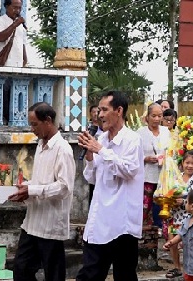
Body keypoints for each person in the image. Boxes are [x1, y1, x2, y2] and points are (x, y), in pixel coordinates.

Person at [76, 91, 145, 281]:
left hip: (121, 223)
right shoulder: (102, 140)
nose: (100, 115)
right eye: (99, 110)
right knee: (90, 274)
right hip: (100, 219)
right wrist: (90, 157)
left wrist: (100, 151)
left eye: (105, 110)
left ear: (119, 111)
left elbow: (129, 170)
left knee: (124, 275)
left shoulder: (132, 140)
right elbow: (91, 178)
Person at [8, 102, 76, 281]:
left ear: (48, 121)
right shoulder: (40, 144)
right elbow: (40, 181)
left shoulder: (63, 149)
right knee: (21, 270)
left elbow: (64, 187)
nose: (32, 129)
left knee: (53, 274)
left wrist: (32, 189)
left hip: (51, 223)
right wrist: (25, 188)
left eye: (35, 124)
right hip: (32, 222)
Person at [165, 150, 193, 278]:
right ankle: (177, 266)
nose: (189, 166)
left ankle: (190, 267)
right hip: (175, 214)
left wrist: (183, 202)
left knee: (188, 243)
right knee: (172, 241)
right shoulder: (176, 178)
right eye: (187, 162)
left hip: (188, 217)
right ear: (182, 163)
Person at [136, 103, 171, 228]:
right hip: (146, 175)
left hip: (163, 175)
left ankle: (162, 231)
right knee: (145, 205)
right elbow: (133, 154)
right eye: (154, 116)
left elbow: (172, 151)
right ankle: (142, 230)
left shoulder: (166, 132)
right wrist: (145, 158)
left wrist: (166, 158)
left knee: (162, 206)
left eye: (159, 116)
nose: (156, 119)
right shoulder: (140, 133)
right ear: (147, 117)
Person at [163, 189, 193, 281]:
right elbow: (180, 234)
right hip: (188, 265)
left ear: (192, 206)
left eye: (186, 202)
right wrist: (171, 242)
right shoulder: (186, 221)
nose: (185, 204)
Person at [0, 0, 27, 67]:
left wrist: (25, 60)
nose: (17, 11)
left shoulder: (20, 25)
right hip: (4, 63)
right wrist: (15, 24)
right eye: (14, 7)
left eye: (19, 8)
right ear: (7, 7)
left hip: (18, 64)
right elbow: (0, 38)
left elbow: (22, 43)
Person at [87, 105, 103, 207]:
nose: (97, 114)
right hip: (93, 163)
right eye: (94, 112)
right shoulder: (89, 128)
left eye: (99, 111)